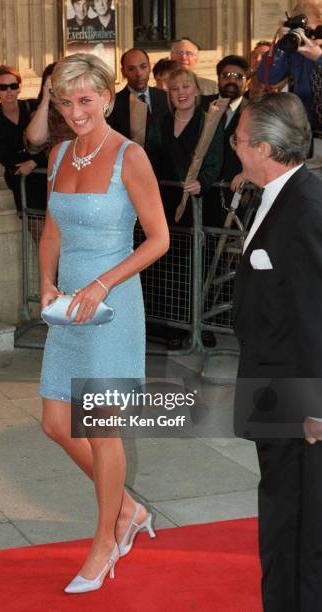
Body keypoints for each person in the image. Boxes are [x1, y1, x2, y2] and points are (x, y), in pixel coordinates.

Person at [39, 53, 169, 593]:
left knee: (100, 429)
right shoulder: (60, 154)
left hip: (111, 305)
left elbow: (158, 239)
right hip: (67, 308)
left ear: (106, 98)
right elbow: (51, 232)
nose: (75, 111)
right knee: (53, 422)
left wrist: (100, 284)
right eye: (65, 102)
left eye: (85, 100)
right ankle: (131, 509)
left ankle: (105, 542)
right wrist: (45, 284)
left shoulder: (129, 156)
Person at [232, 92, 322, 611]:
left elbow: (316, 313)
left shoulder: (307, 207)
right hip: (273, 386)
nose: (235, 147)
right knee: (282, 514)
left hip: (297, 394)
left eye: (241, 141)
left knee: (303, 524)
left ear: (265, 148)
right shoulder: (275, 194)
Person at [146, 67, 223, 350]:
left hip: (199, 204)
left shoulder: (208, 122)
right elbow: (149, 154)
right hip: (166, 203)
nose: (181, 92)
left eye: (186, 87)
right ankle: (174, 327)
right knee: (171, 266)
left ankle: (198, 324)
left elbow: (215, 159)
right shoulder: (162, 123)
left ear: (196, 90)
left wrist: (202, 182)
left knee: (198, 266)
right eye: (175, 88)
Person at [0, 65, 47, 215]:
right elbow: (6, 158)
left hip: (45, 172)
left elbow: (52, 141)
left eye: (13, 86)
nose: (9, 91)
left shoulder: (33, 107)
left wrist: (33, 162)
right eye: (3, 87)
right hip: (22, 178)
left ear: (19, 87)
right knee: (33, 224)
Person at [256, 0, 322, 131]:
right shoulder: (298, 51)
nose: (312, 38)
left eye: (318, 31)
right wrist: (282, 43)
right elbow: (267, 78)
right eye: (308, 32)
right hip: (307, 131)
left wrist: (319, 58)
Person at [202, 55, 250, 214]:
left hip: (236, 190)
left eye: (238, 77)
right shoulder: (201, 105)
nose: (232, 81)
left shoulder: (255, 111)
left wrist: (247, 173)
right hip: (203, 191)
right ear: (218, 79)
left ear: (247, 81)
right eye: (226, 76)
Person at [107, 48, 168, 147]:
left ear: (149, 68)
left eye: (143, 67)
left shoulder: (165, 98)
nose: (139, 73)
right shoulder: (113, 104)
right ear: (123, 72)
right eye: (131, 69)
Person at [25, 63, 74, 156]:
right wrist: (45, 99)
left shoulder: (83, 107)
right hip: (63, 166)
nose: (57, 91)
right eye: (52, 85)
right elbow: (35, 140)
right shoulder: (45, 115)